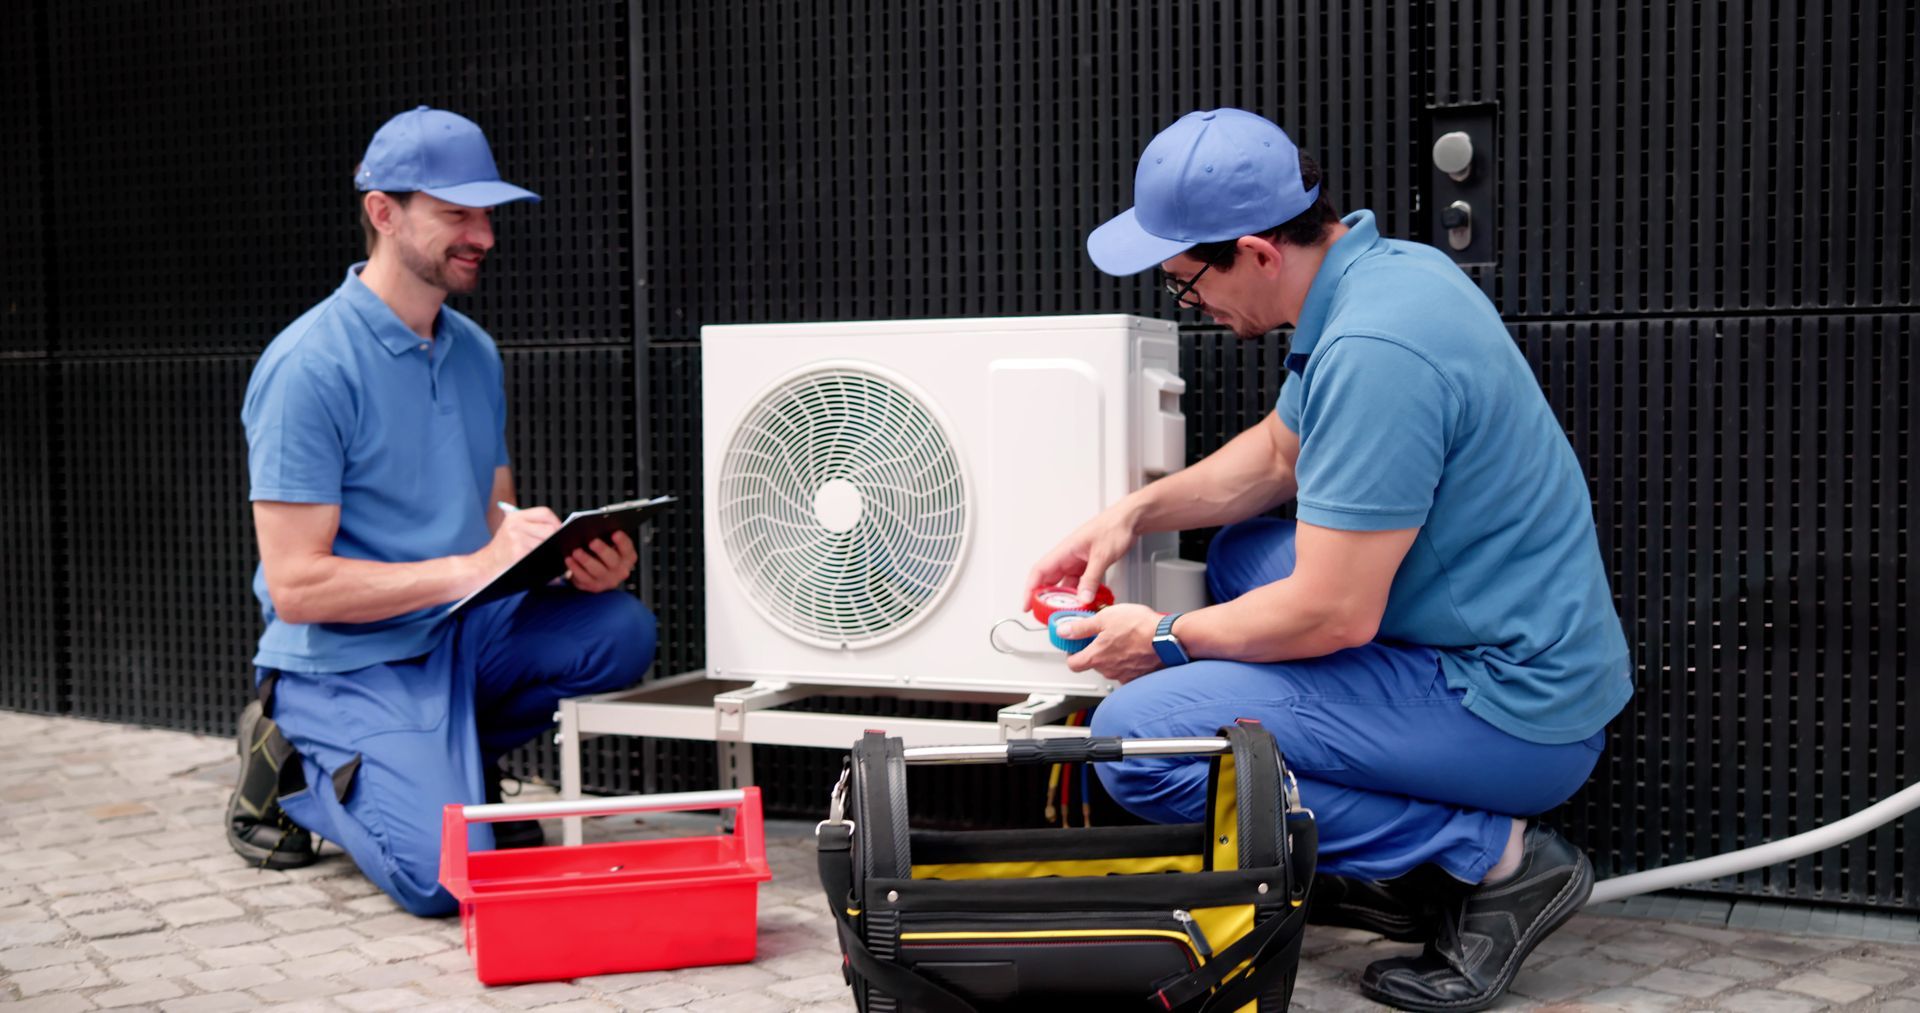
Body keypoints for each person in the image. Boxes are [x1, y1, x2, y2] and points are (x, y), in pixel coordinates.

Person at [1025, 108, 1632, 1011]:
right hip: (1499, 644)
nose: (1191, 307)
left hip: (1516, 709)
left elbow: (1334, 615)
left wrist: (1161, 636)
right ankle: (1402, 858)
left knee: (1144, 741)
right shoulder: (1383, 275)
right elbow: (1278, 455)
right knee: (1242, 558)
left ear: (1257, 252)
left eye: (1188, 285)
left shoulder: (1375, 349)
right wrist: (1130, 514)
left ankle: (1496, 859)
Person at [226, 106, 658, 917]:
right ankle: (290, 751)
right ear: (382, 213)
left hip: (457, 632)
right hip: (347, 659)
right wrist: (472, 568)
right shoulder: (307, 368)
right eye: (456, 213)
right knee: (439, 882)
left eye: (486, 213)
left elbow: (490, 519)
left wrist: (560, 553)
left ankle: (445, 762)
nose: (483, 235)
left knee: (620, 628)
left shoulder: (474, 351)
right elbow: (296, 588)